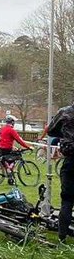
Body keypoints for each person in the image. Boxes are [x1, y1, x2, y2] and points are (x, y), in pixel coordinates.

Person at [46, 102, 74, 241]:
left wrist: (64, 133)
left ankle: (62, 236)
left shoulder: (65, 112)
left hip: (71, 158)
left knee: (67, 200)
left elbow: (51, 130)